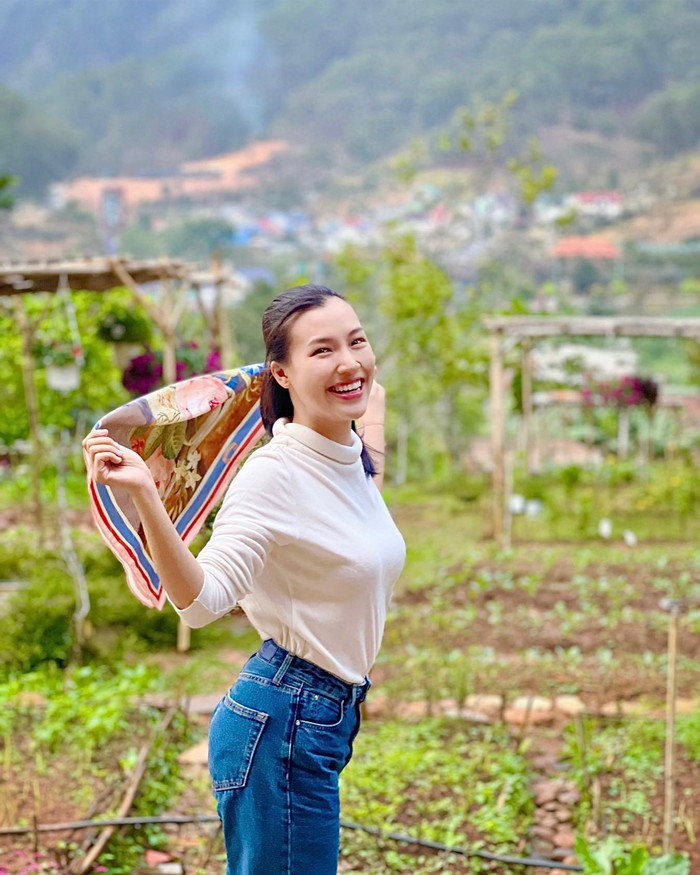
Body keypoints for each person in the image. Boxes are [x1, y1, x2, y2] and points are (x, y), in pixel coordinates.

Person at [82, 284, 406, 875]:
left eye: (357, 342)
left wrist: (370, 413)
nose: (349, 362)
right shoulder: (274, 475)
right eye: (323, 351)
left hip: (320, 716)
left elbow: (360, 507)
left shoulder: (346, 455)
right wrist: (149, 499)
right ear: (280, 373)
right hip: (283, 719)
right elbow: (201, 604)